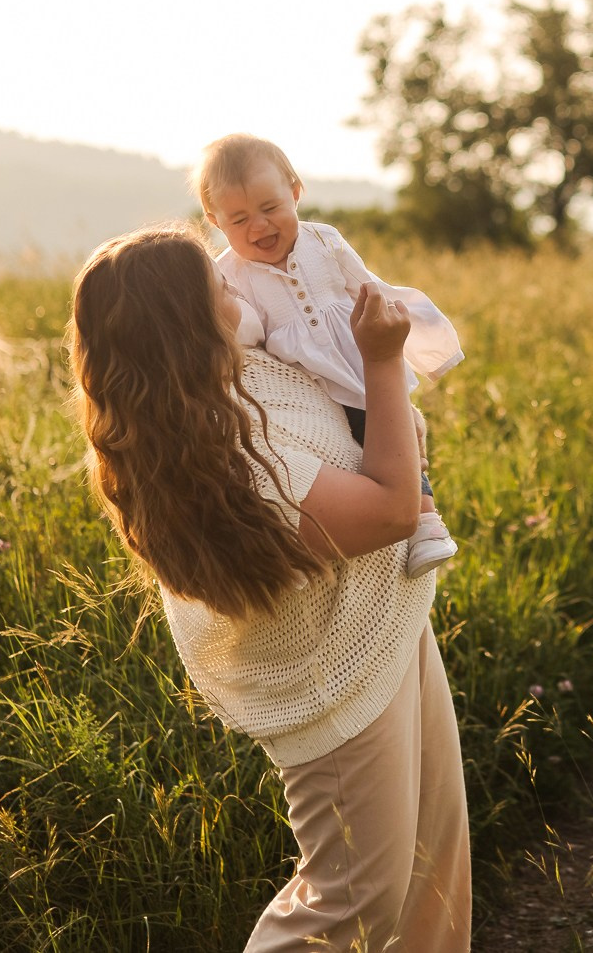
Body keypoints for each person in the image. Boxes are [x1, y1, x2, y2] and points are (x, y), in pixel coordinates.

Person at [71, 225, 469, 950]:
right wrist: (383, 361)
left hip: (387, 619)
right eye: (215, 284)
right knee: (350, 904)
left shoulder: (228, 372)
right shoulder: (233, 464)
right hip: (335, 677)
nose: (233, 281)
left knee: (431, 869)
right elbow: (387, 509)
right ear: (188, 320)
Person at [194, 133, 463, 576]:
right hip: (308, 387)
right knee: (341, 454)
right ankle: (312, 543)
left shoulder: (324, 241)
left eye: (270, 208)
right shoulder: (229, 273)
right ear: (216, 221)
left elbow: (368, 289)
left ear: (296, 193)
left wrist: (420, 342)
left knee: (397, 431)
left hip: (358, 364)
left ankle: (427, 522)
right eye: (239, 219)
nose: (259, 227)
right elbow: (243, 328)